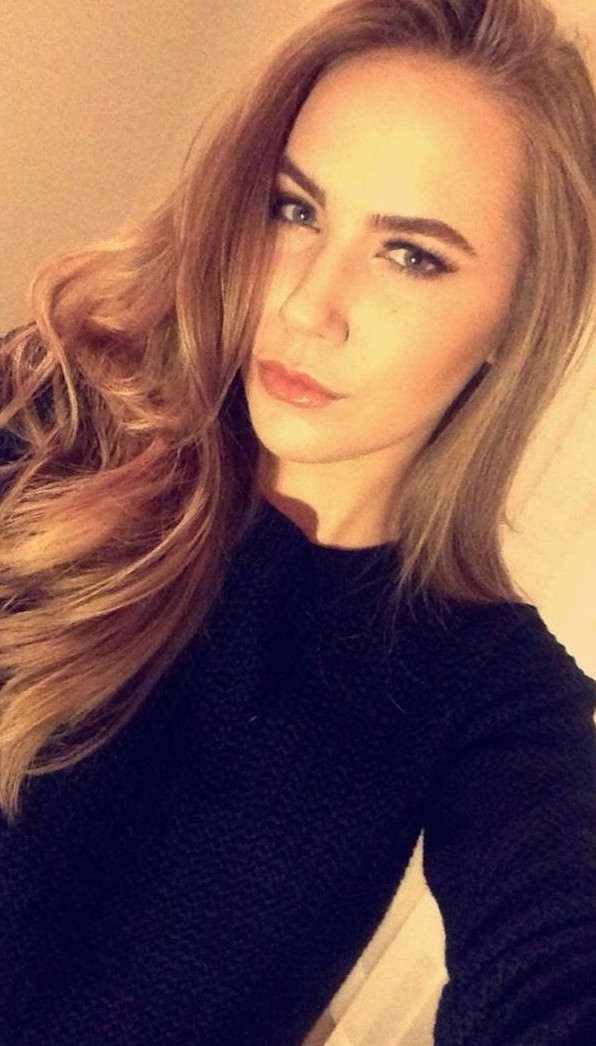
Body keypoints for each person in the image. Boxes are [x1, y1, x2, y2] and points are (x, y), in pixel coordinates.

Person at [1, 0, 595, 1043]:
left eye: (411, 255)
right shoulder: (48, 423)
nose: (307, 305)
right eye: (294, 208)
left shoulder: (491, 695)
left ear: (516, 312)